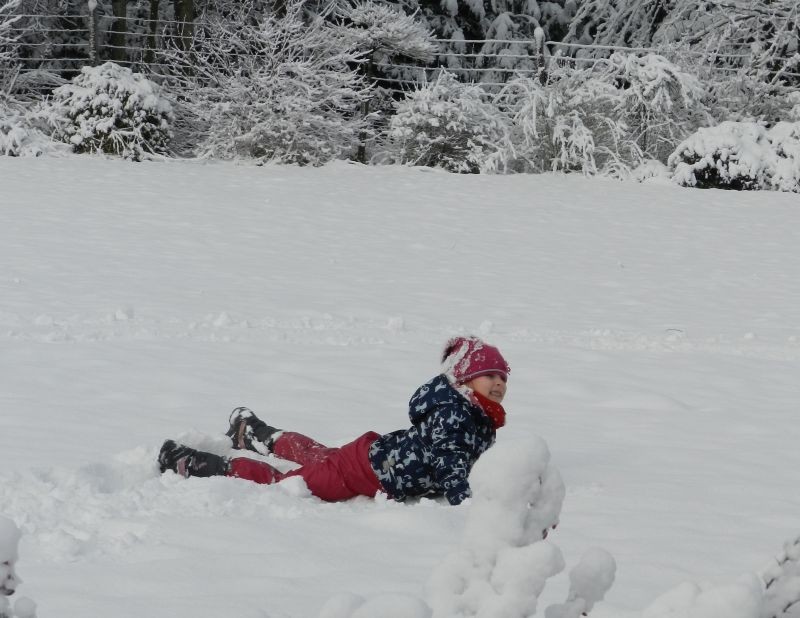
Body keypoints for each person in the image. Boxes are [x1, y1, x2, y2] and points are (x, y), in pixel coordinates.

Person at [157, 336, 510, 505]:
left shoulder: (474, 416)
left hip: (371, 456)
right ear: (463, 380)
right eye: (488, 375)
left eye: (502, 377)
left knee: (319, 456)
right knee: (287, 482)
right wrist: (469, 504)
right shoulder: (457, 416)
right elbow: (452, 464)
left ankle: (252, 432)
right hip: (366, 470)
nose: (498, 383)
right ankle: (196, 462)